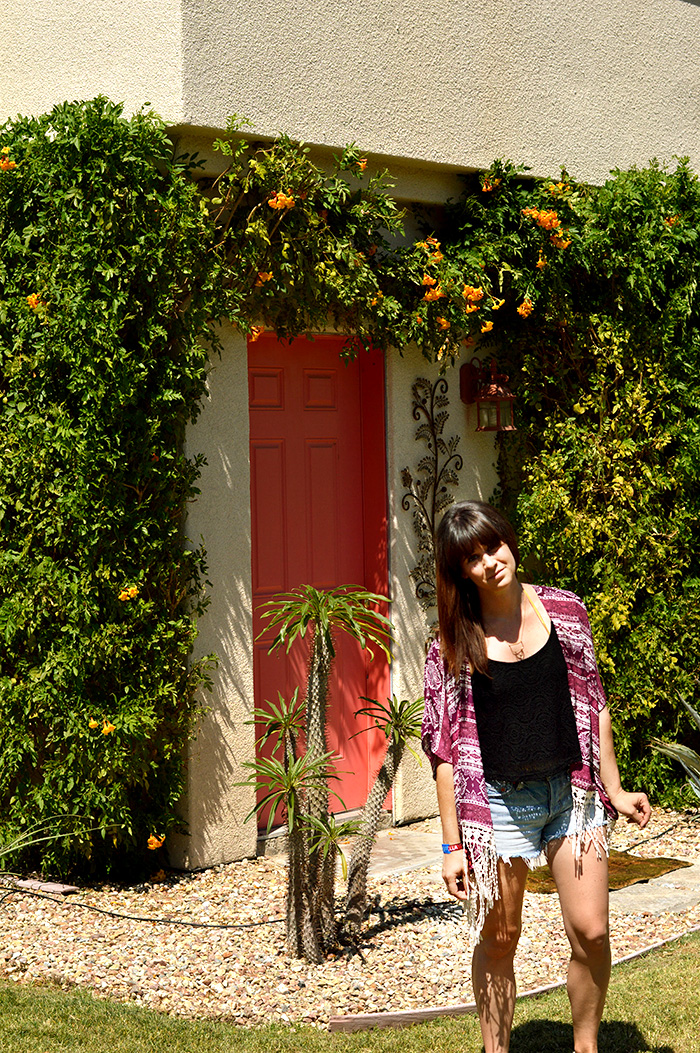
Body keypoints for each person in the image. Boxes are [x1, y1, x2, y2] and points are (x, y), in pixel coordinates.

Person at [421, 500, 651, 1053]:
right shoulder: (451, 644)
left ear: (510, 542)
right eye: (471, 558)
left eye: (493, 546)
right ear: (460, 572)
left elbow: (593, 703)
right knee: (501, 938)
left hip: (570, 793)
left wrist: (614, 789)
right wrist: (452, 844)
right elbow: (446, 752)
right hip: (495, 804)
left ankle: (586, 1046)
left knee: (592, 932)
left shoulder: (565, 611)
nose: (489, 562)